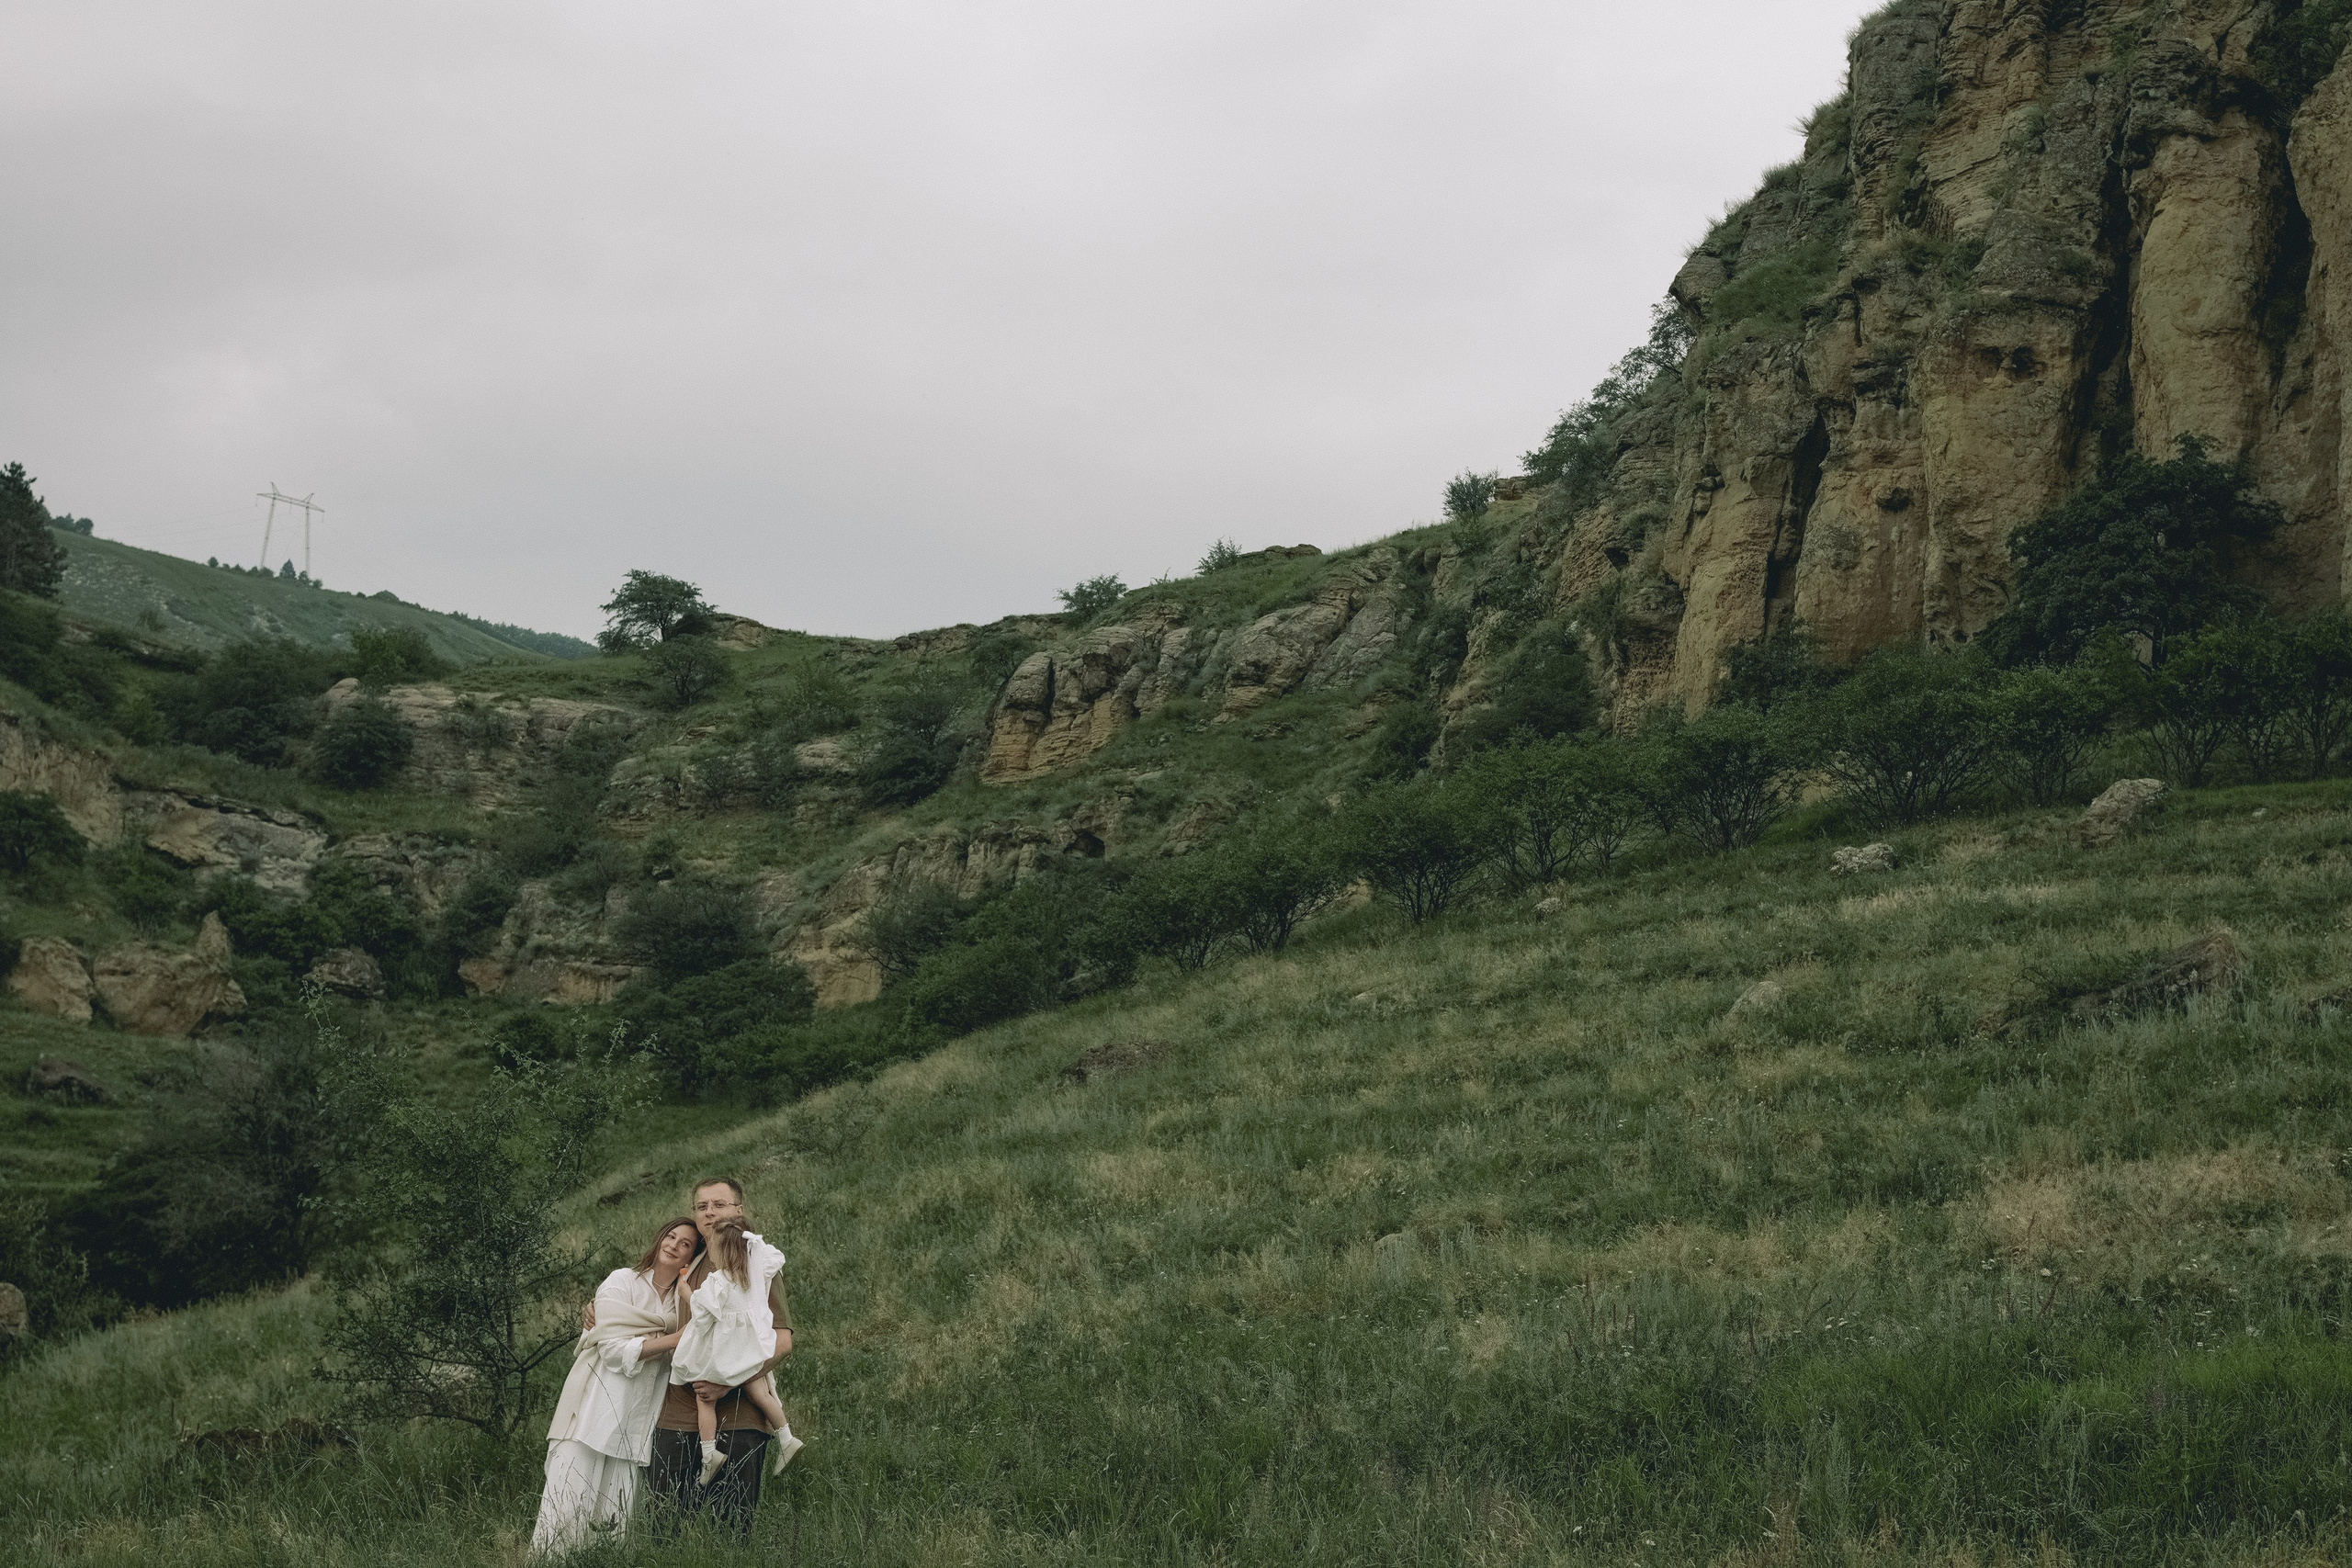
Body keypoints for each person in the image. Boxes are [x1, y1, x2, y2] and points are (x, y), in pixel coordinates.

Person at [588, 1177, 799, 1538]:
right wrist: (597, 1309)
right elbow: (643, 1294)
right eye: (702, 1207)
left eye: (719, 1204)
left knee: (730, 1531)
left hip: (740, 1415)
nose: (710, 1213)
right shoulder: (689, 1259)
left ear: (739, 1210)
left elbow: (781, 1342)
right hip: (677, 1415)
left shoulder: (755, 1263)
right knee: (662, 1527)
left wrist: (725, 1380)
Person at [530, 1216, 699, 1555]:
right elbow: (610, 1349)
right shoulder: (623, 1281)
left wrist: (668, 1337)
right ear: (659, 1239)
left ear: (690, 1259)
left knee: (613, 1519)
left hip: (638, 1418)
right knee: (567, 1507)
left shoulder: (683, 1302)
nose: (674, 1246)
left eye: (685, 1245)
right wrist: (674, 1339)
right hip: (594, 1409)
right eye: (671, 1236)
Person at [669, 1218, 790, 1483]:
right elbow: (773, 1256)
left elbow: (703, 1313)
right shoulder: (754, 1271)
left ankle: (710, 1452)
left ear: (721, 1252)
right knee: (760, 1391)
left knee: (704, 1397)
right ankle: (787, 1436)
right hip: (753, 1346)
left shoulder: (719, 1281)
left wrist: (686, 1292)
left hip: (728, 1350)